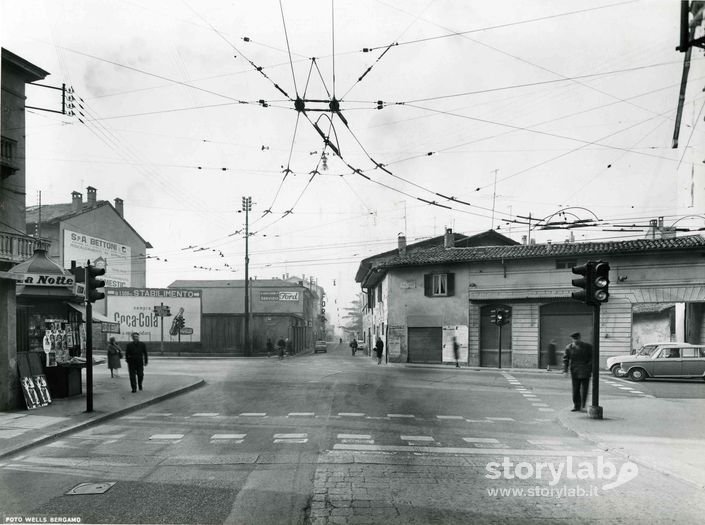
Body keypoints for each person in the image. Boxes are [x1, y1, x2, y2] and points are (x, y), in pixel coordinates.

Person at [563, 332, 593, 412]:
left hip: (585, 370)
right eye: (574, 339)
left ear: (580, 338)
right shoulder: (569, 347)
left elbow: (592, 358)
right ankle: (577, 405)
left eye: (576, 339)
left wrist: (589, 367)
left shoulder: (587, 347)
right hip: (575, 371)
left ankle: (583, 405)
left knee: (584, 389)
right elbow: (566, 359)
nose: (575, 340)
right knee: (575, 389)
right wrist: (565, 370)